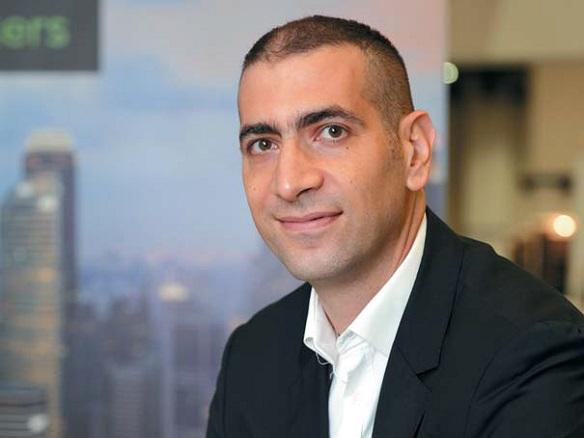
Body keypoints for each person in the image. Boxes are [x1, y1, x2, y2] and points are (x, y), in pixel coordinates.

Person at [207, 15, 584, 438]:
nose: (289, 182)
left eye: (331, 132)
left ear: (415, 151)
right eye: (263, 144)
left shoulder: (532, 354)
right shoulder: (252, 357)